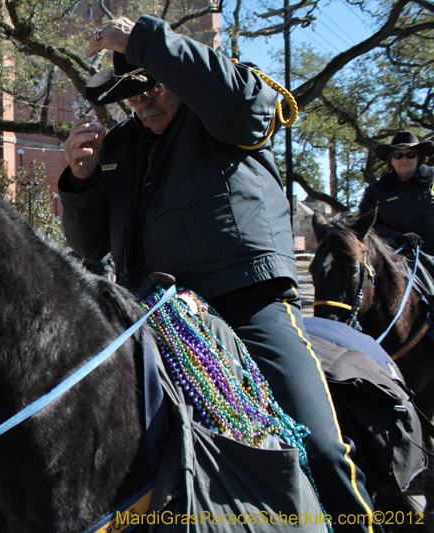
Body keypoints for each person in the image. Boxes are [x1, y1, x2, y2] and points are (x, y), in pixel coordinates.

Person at [59, 15, 376, 531]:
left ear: (177, 72)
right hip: (150, 315)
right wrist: (81, 181)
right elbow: (89, 246)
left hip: (246, 304)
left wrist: (140, 38)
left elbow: (243, 104)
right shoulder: (117, 148)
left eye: (151, 83)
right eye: (129, 92)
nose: (141, 100)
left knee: (320, 448)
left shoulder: (223, 106)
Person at [359, 131, 434, 294]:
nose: (404, 159)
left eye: (411, 155)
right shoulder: (376, 192)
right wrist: (397, 237)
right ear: (390, 160)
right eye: (398, 155)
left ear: (419, 157)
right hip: (396, 263)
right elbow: (366, 226)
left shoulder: (432, 185)